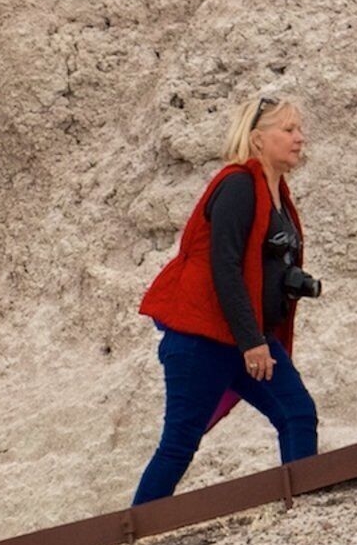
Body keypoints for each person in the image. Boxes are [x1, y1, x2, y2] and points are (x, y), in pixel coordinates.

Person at [132, 92, 320, 504]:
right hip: (204, 339)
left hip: (245, 335)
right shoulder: (237, 184)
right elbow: (225, 268)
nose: (299, 138)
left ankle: (304, 507)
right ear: (257, 139)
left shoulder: (276, 193)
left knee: (297, 413)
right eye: (288, 129)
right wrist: (253, 342)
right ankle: (134, 532)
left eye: (299, 129)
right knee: (179, 444)